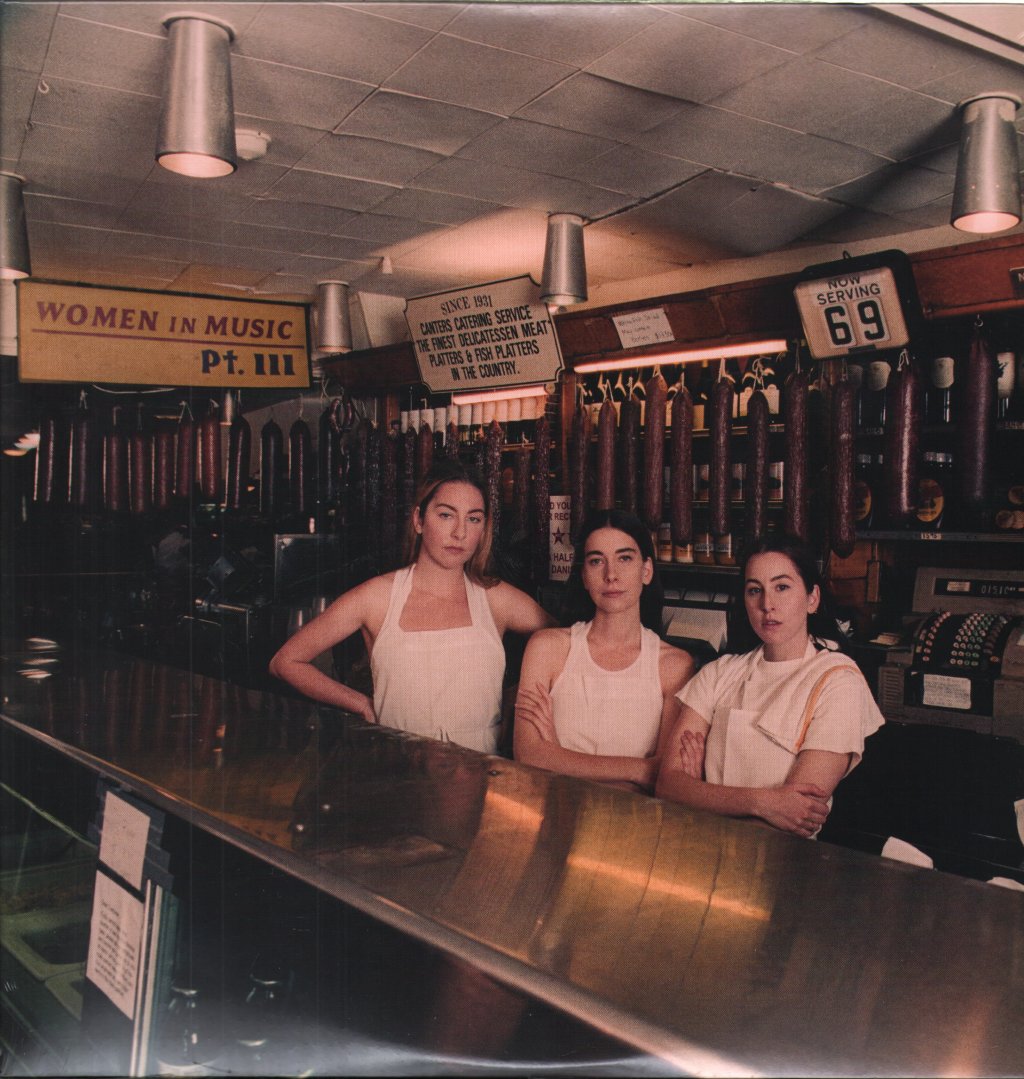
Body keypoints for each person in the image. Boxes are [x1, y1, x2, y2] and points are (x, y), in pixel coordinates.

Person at [269, 458, 554, 753]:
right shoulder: (377, 597)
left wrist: (516, 699)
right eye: (446, 515)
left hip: (480, 770)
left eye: (473, 519)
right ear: (419, 520)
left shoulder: (497, 599)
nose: (460, 533)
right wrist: (361, 703)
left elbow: (571, 644)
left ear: (484, 528)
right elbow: (286, 662)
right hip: (399, 767)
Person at [655, 536, 884, 837]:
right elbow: (668, 786)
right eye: (755, 590)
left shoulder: (838, 681)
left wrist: (703, 795)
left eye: (782, 587)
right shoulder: (719, 673)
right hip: (701, 852)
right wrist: (763, 802)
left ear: (812, 598)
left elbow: (798, 814)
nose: (767, 605)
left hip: (783, 858)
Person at [514, 509, 695, 792]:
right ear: (584, 576)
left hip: (635, 818)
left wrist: (557, 754)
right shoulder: (546, 648)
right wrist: (639, 768)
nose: (611, 575)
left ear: (646, 571)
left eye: (625, 558)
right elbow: (528, 754)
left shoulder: (674, 665)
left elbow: (663, 778)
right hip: (554, 810)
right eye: (596, 561)